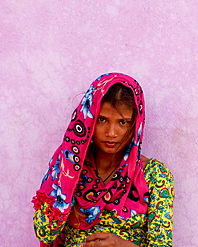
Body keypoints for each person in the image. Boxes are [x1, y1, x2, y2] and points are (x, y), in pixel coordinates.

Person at [32, 73, 174, 247]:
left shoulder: (154, 175)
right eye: (102, 120)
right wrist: (68, 177)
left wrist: (121, 244)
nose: (111, 133)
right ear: (87, 119)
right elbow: (44, 233)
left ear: (135, 124)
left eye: (123, 122)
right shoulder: (67, 164)